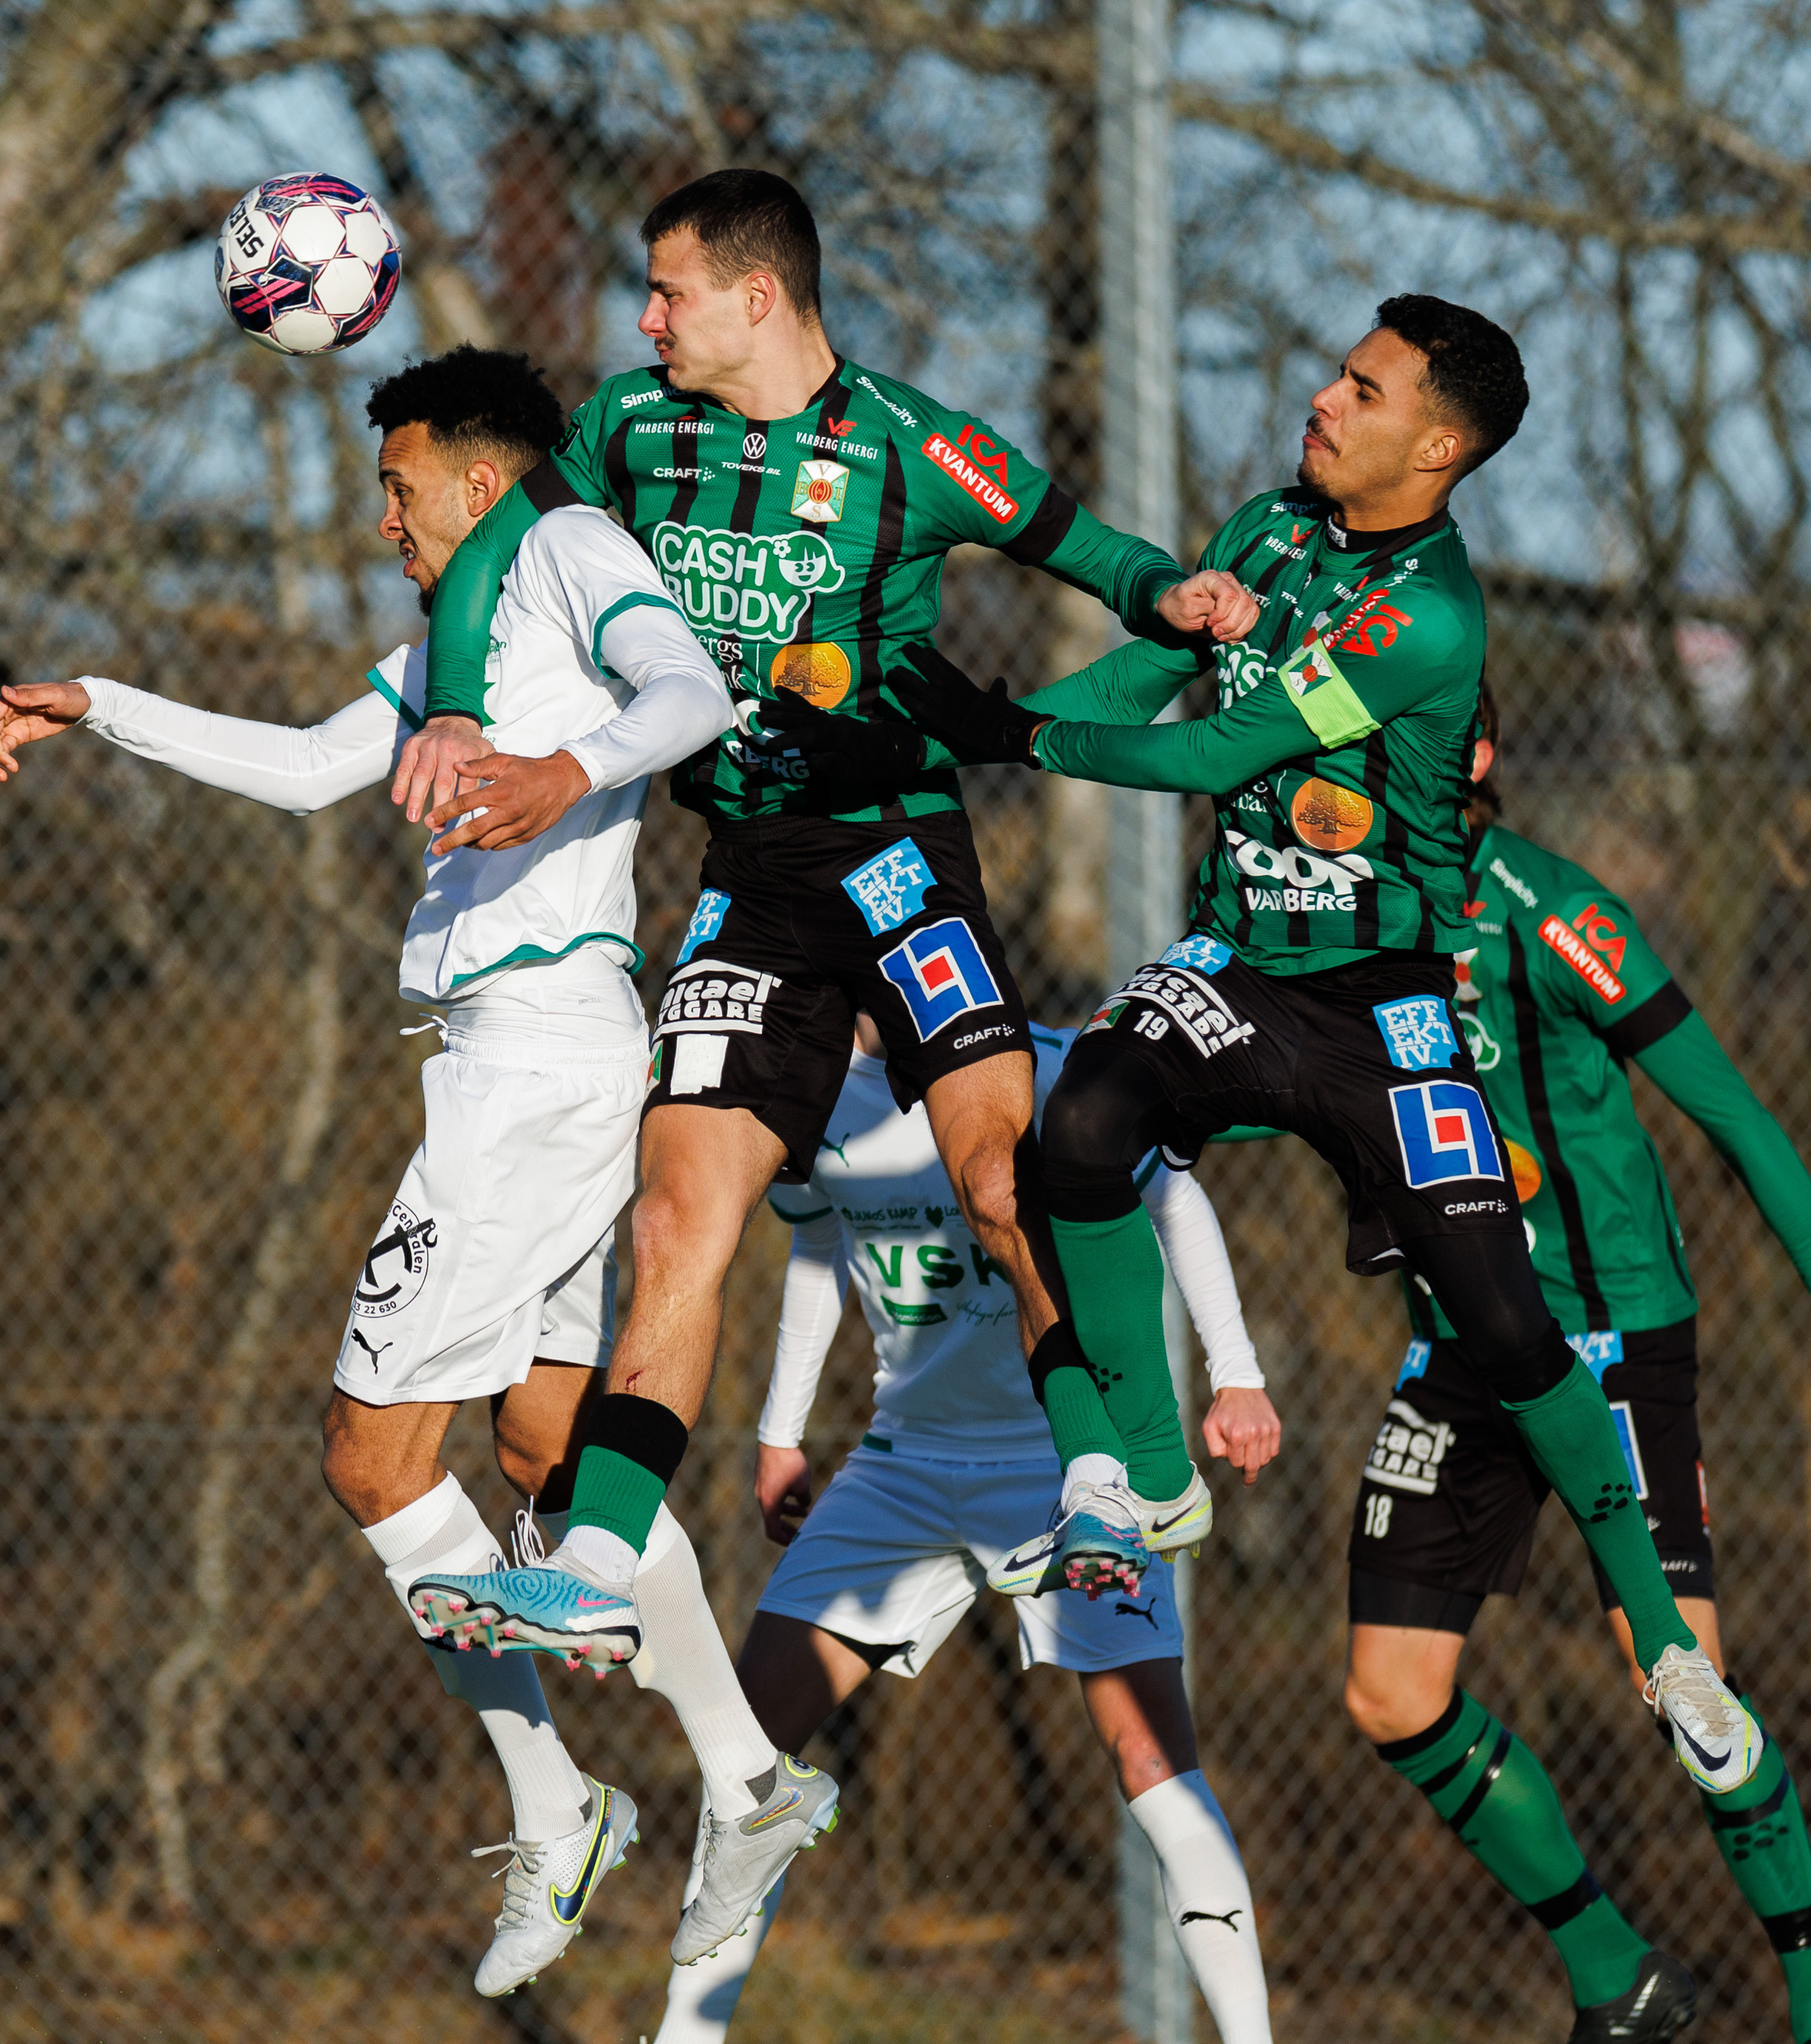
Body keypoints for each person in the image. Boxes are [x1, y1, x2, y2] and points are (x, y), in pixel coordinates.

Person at [795, 297, 1769, 1829]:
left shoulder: (1429, 613)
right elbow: (1138, 693)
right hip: (1236, 967)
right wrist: (951, 735)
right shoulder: (1265, 527)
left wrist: (987, 731)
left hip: (1384, 1005)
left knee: (1514, 1329)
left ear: (1435, 446)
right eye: (1334, 365)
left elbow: (1206, 758)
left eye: (1362, 387)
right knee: (1081, 1124)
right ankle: (1139, 1471)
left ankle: (1667, 1645)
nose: (1322, 394)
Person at [394, 171, 1257, 1762]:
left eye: (666, 294)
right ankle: (593, 1553)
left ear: (757, 300)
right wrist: (454, 704)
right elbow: (489, 556)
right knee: (678, 1206)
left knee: (1001, 1173)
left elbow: (1077, 542)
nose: (642, 322)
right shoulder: (629, 431)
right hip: (751, 877)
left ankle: (1102, 1483)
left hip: (898, 848)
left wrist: (1174, 594)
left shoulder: (908, 441)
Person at [0, 345, 788, 1996]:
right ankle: (752, 1779)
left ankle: (559, 1804)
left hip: (536, 1070)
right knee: (546, 1451)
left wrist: (564, 773)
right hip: (512, 1065)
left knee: (369, 1457)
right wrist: (100, 705)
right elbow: (303, 764)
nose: (381, 519)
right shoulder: (463, 629)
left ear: (477, 480)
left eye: (396, 484)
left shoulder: (565, 552)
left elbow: (695, 692)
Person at [508, 1020, 1306, 2044]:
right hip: (901, 1465)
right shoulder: (809, 1086)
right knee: (751, 1745)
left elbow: (1175, 1197)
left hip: (1061, 1465)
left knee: (1149, 1755)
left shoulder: (1041, 1062)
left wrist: (1235, 1375)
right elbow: (820, 1248)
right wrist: (780, 1434)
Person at [1324, 722, 1811, 2044]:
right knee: (1390, 1694)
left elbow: (1729, 1110)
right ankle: (1615, 1975)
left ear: (1473, 753)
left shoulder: (1557, 910)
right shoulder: (1328, 921)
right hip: (1464, 1351)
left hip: (1606, 1341)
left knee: (1684, 1691)